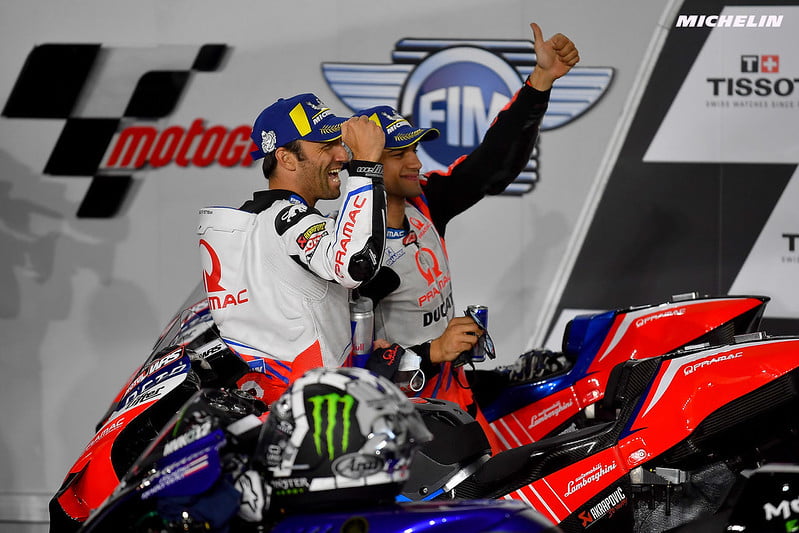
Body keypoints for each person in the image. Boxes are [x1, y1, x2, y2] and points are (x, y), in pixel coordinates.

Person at [353, 23, 580, 453]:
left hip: (454, 397)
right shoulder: (348, 250)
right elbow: (346, 360)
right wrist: (430, 350)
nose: (415, 162)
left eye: (414, 150)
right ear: (367, 164)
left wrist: (540, 82)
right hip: (399, 420)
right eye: (399, 154)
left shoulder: (427, 202)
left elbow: (493, 165)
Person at [197, 92, 387, 405]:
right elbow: (356, 265)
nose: (343, 155)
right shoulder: (286, 219)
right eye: (326, 146)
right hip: (315, 408)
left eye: (340, 143)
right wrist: (366, 167)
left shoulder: (251, 221)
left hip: (274, 403)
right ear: (286, 158)